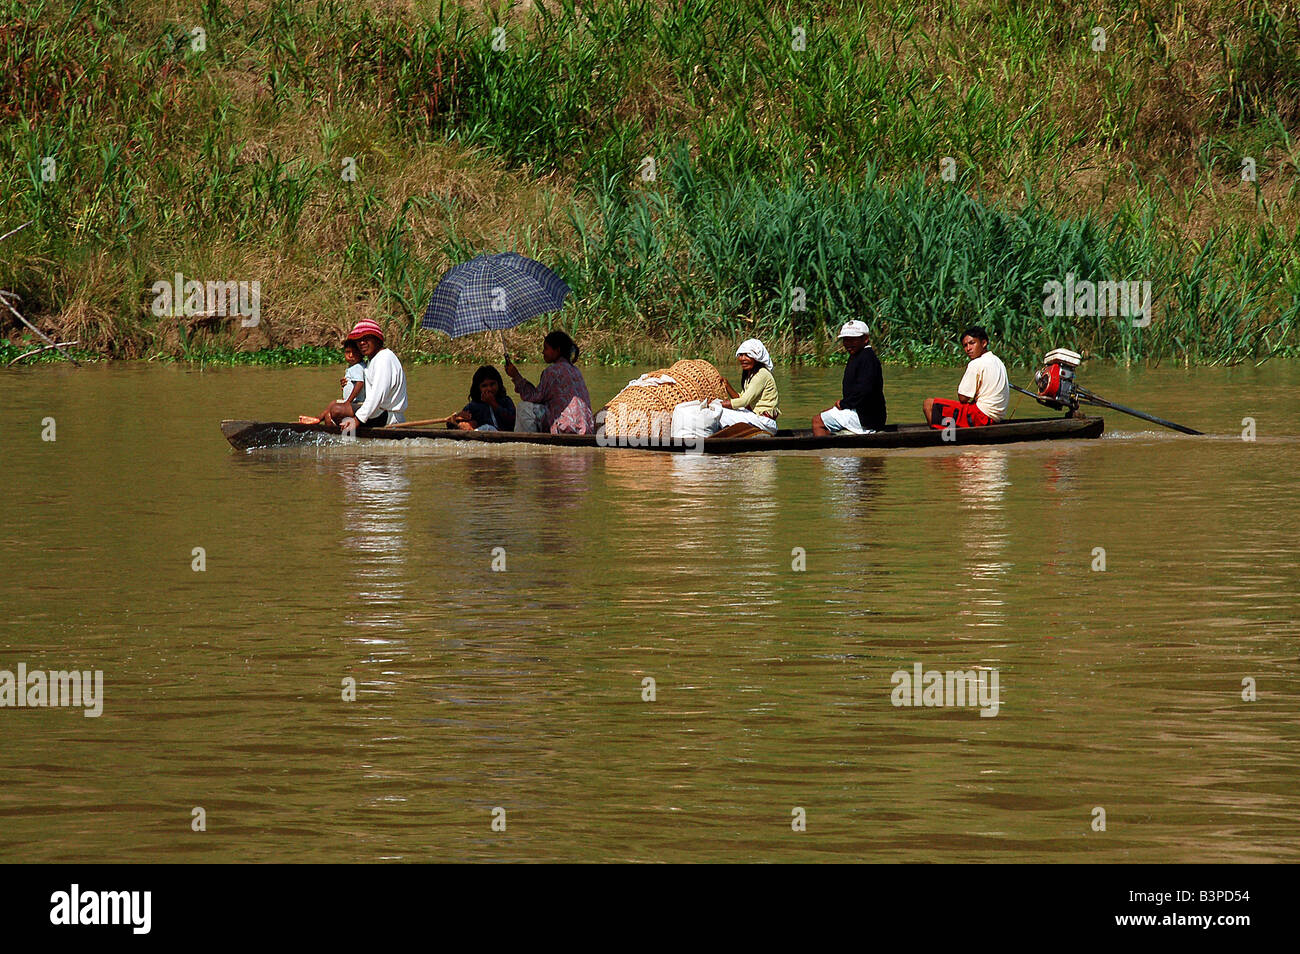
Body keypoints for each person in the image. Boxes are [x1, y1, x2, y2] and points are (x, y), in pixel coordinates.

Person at [504, 330, 595, 435]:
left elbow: (533, 397)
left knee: (524, 407)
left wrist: (516, 376)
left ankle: (525, 443)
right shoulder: (575, 370)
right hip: (585, 428)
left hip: (567, 427)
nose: (543, 352)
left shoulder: (552, 371)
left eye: (546, 348)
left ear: (557, 350)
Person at [921, 325, 1009, 428]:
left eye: (972, 343)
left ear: (984, 343)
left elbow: (963, 398)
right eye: (965, 345)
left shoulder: (976, 363)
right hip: (996, 417)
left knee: (929, 404)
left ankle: (942, 438)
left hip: (982, 416)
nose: (968, 349)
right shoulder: (997, 361)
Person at [812, 320, 886, 436]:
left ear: (865, 339)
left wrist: (843, 404)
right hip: (863, 414)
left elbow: (864, 390)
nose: (847, 343)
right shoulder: (859, 355)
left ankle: (822, 451)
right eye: (845, 339)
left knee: (818, 421)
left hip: (865, 417)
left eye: (852, 339)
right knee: (826, 415)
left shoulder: (866, 359)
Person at [336, 319, 407, 427]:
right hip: (377, 412)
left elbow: (377, 395)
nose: (362, 343)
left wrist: (358, 419)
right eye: (358, 340)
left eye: (366, 338)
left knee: (336, 410)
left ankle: (344, 438)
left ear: (377, 339)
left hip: (388, 417)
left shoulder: (384, 359)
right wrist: (349, 384)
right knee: (333, 408)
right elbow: (367, 387)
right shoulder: (372, 360)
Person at [718, 338, 779, 434]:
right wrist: (727, 385)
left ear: (757, 357)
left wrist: (718, 405)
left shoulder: (761, 374)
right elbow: (742, 399)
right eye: (741, 355)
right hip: (756, 418)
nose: (742, 359)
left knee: (719, 412)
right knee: (719, 409)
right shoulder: (750, 375)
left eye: (747, 355)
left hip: (764, 422)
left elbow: (743, 401)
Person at [299, 339, 366, 425]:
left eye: (355, 352)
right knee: (329, 414)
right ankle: (321, 421)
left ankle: (318, 419)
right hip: (352, 401)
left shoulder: (357, 367)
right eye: (347, 352)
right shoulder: (355, 367)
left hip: (356, 402)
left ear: (361, 353)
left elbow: (360, 383)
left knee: (333, 405)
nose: (351, 355)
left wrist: (348, 402)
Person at [447, 365, 515, 431]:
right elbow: (451, 425)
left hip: (503, 434)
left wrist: (493, 404)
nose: (489, 389)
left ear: (498, 384)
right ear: (478, 388)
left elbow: (513, 420)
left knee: (488, 428)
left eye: (492, 384)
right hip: (483, 435)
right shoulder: (473, 406)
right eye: (484, 386)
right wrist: (458, 418)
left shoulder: (506, 401)